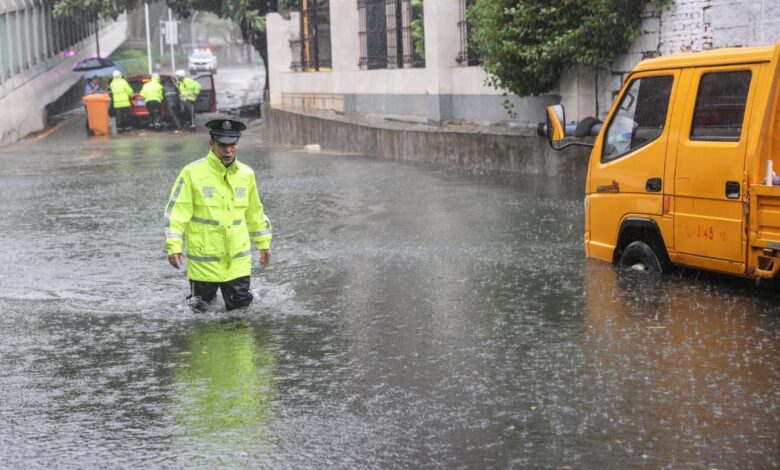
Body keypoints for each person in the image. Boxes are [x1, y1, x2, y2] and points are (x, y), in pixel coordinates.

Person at [164, 118, 273, 311]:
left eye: (233, 144)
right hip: (204, 261)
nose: (228, 150)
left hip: (237, 261)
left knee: (241, 313)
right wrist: (174, 246)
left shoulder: (246, 174)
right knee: (202, 313)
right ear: (211, 143)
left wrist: (264, 243)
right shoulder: (192, 173)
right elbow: (176, 212)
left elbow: (255, 212)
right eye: (223, 144)